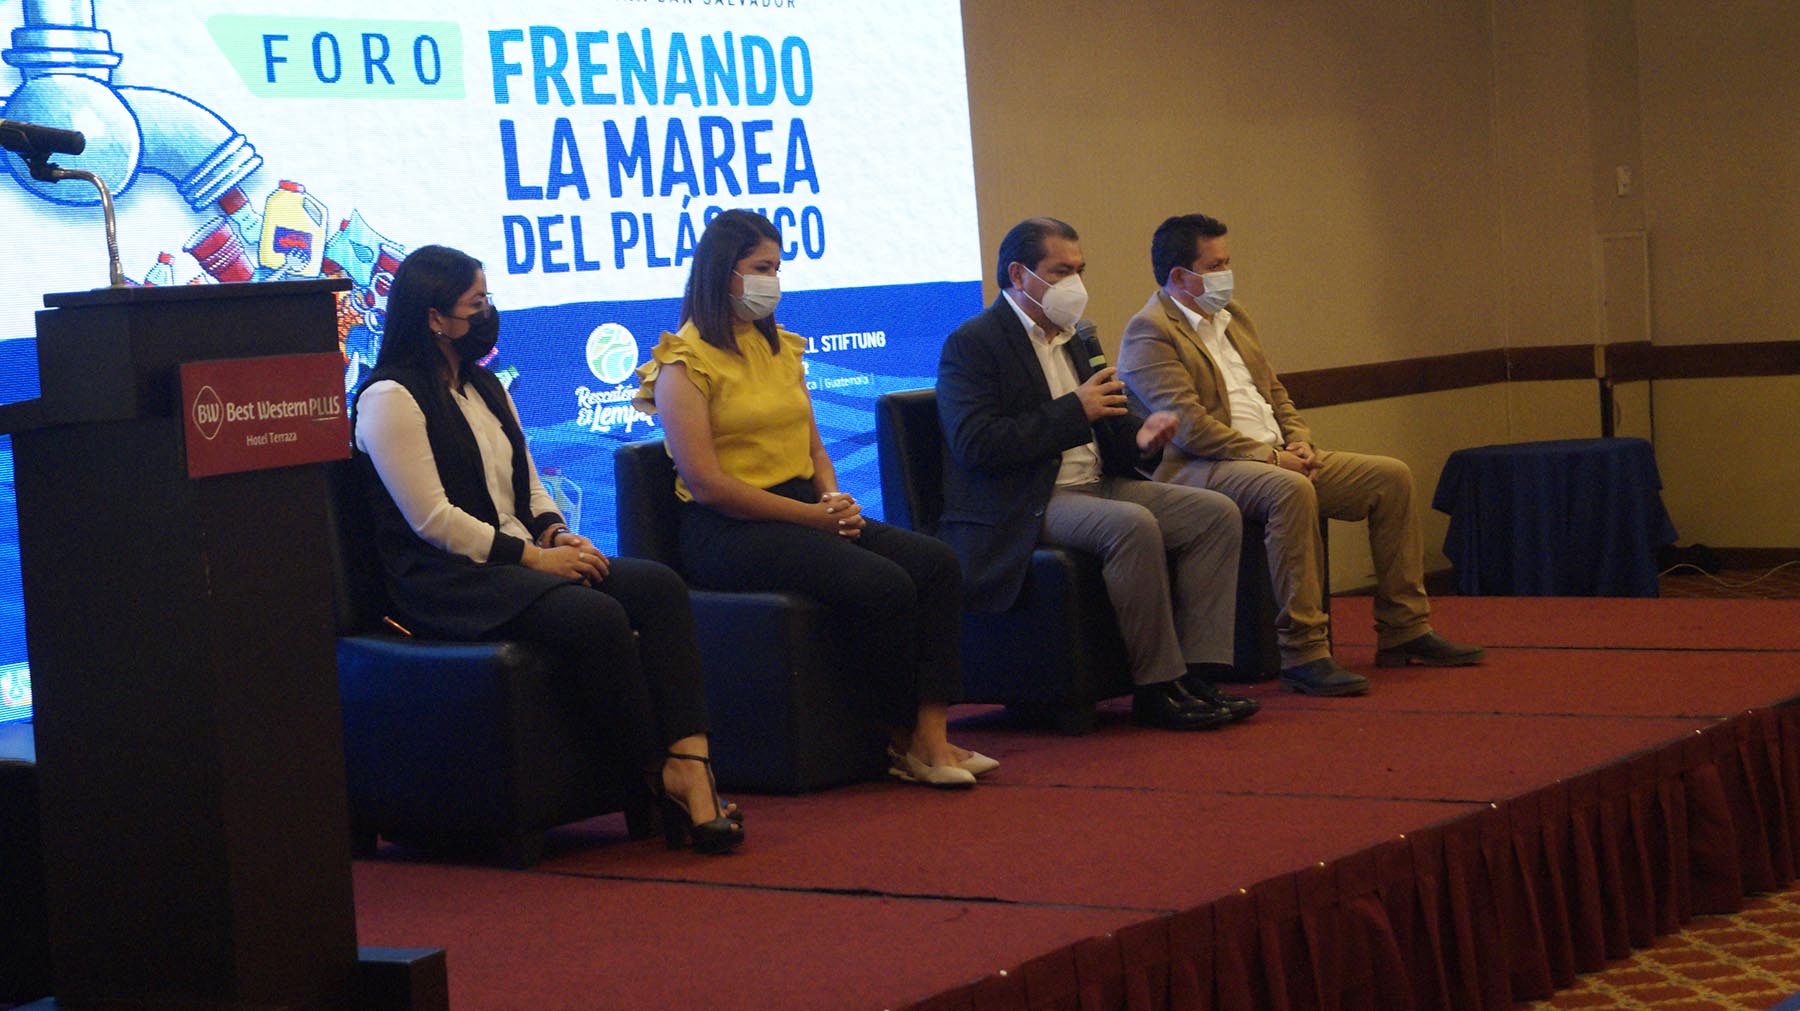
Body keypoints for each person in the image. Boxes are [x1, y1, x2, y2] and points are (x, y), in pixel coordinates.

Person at [353, 244, 743, 854]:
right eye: (476, 304)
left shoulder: (485, 386)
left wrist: (555, 533)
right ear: (434, 318)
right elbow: (433, 520)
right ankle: (651, 772)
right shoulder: (389, 397)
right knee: (596, 614)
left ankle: (691, 763)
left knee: (658, 587)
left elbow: (528, 483)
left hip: (516, 562)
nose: (488, 314)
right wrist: (537, 560)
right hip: (446, 581)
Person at [635, 210, 993, 789]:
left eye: (776, 268)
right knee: (882, 583)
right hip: (728, 529)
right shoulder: (683, 361)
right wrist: (813, 517)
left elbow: (815, 447)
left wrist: (832, 498)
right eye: (761, 268)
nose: (772, 281)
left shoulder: (781, 347)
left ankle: (933, 735)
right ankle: (899, 740)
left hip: (805, 507)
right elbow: (708, 484)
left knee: (935, 563)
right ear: (723, 272)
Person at [1117, 213, 1485, 697]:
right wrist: (1271, 459)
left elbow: (1275, 392)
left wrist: (1299, 441)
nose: (1227, 274)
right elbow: (1190, 430)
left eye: (1228, 262)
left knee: (1390, 477)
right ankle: (1304, 651)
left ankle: (1405, 628)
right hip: (1201, 468)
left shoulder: (1233, 316)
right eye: (1215, 266)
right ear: (1179, 276)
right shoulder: (1149, 332)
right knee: (1289, 488)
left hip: (1273, 454)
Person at [935, 217, 1256, 731]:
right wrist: (1073, 410)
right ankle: (1156, 686)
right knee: (1131, 525)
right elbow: (976, 444)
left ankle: (1198, 674)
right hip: (1029, 499)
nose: (1075, 285)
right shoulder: (974, 342)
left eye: (1079, 271)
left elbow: (1107, 421)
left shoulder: (1079, 337)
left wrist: (1143, 438)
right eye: (1060, 272)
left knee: (1214, 514)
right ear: (1018, 275)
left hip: (1099, 482)